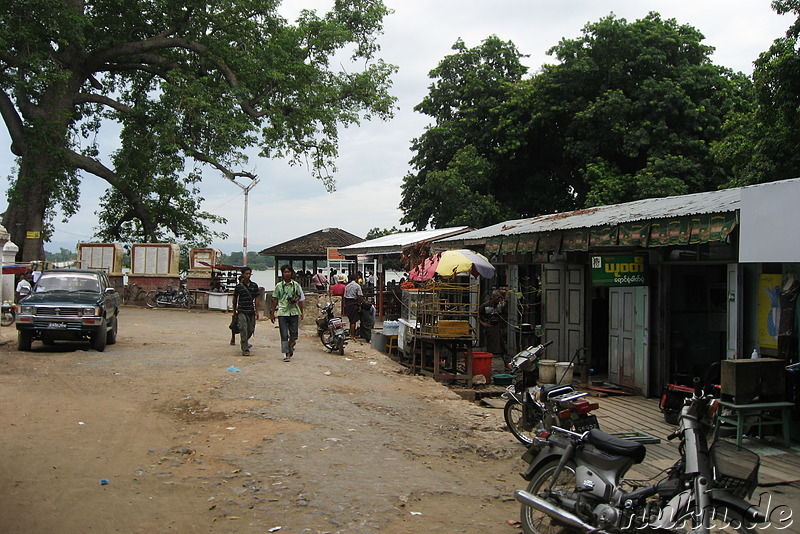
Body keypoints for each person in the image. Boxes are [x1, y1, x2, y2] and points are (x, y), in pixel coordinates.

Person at [271, 265, 304, 362]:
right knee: (284, 334)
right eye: (285, 272)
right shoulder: (279, 286)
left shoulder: (296, 285)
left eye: (288, 272)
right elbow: (275, 299)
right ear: (282, 273)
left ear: (291, 273)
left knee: (294, 334)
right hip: (282, 312)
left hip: (293, 311)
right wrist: (272, 313)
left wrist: (295, 301)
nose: (287, 274)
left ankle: (290, 346)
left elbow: (299, 296)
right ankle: (286, 353)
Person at [232, 267, 261, 356]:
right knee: (243, 328)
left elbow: (257, 299)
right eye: (246, 274)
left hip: (251, 310)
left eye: (249, 274)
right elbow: (235, 298)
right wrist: (234, 311)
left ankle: (244, 340)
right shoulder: (239, 287)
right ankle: (245, 348)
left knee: (251, 329)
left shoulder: (254, 286)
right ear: (243, 275)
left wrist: (257, 311)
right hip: (241, 310)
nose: (248, 276)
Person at [479, 290, 508, 366]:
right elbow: (476, 314)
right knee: (491, 346)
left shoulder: (500, 305)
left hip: (498, 326)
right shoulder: (485, 305)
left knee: (502, 346)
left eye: (500, 298)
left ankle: (506, 364)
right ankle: (487, 364)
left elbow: (505, 314)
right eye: (498, 298)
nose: (499, 300)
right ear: (493, 297)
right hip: (490, 326)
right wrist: (483, 323)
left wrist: (504, 306)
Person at [343, 273, 363, 340]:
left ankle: (351, 333)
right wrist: (359, 305)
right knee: (353, 321)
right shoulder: (357, 286)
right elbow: (360, 296)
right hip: (354, 303)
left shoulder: (347, 286)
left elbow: (345, 297)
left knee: (350, 319)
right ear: (355, 279)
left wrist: (345, 305)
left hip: (348, 303)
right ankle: (352, 335)